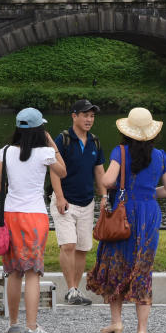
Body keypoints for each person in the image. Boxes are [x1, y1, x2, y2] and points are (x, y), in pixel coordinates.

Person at [87, 107, 166, 333]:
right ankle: (142, 330)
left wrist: (120, 187)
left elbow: (107, 180)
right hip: (149, 213)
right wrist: (148, 193)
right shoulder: (161, 156)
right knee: (142, 267)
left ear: (126, 131)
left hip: (124, 212)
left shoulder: (121, 152)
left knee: (115, 262)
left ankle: (117, 322)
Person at [0, 107, 66, 333]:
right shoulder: (44, 153)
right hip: (34, 215)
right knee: (33, 272)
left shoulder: (6, 152)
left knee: (14, 271)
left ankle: (14, 324)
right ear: (39, 130)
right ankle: (32, 327)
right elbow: (62, 171)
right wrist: (52, 142)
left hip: (11, 214)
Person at [50, 99, 105, 306]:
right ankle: (71, 289)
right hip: (65, 200)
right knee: (69, 245)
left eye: (92, 116)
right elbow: (54, 169)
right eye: (85, 115)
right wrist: (60, 197)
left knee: (83, 247)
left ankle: (75, 289)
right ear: (74, 116)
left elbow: (99, 171)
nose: (89, 119)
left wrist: (104, 196)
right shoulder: (62, 139)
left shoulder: (95, 142)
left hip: (87, 202)